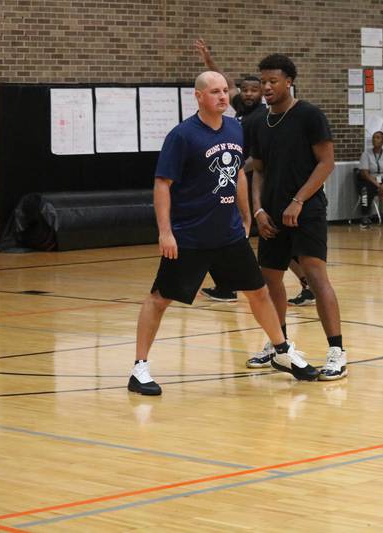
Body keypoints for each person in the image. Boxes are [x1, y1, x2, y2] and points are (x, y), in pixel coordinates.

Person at [129, 71, 319, 396]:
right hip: (189, 235)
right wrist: (165, 232)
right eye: (214, 92)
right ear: (199, 97)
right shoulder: (182, 135)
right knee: (160, 299)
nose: (221, 96)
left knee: (258, 292)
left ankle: (282, 351)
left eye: (223, 91)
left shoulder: (234, 128)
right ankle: (140, 368)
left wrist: (246, 216)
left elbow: (238, 175)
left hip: (228, 234)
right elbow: (162, 185)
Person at [248, 53, 348, 380]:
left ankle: (337, 352)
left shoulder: (309, 115)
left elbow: (326, 163)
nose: (266, 87)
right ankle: (279, 347)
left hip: (307, 210)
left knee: (316, 277)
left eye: (272, 81)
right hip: (272, 214)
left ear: (289, 81)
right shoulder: (261, 122)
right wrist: (259, 210)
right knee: (270, 280)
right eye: (262, 81)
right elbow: (258, 172)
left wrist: (298, 200)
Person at [195, 40, 314, 308]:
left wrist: (235, 170)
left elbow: (255, 159)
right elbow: (224, 81)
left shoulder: (262, 116)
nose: (248, 94)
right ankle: (229, 285)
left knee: (247, 235)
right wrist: (208, 59)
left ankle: (232, 285)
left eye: (254, 90)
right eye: (245, 90)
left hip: (256, 180)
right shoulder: (241, 107)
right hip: (242, 179)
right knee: (247, 235)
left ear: (263, 92)